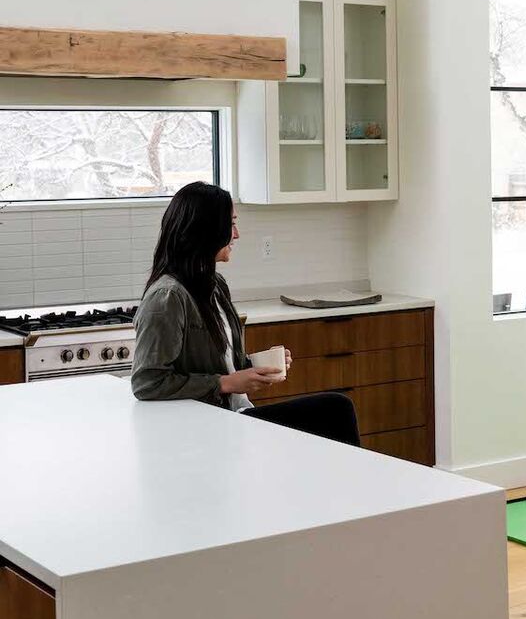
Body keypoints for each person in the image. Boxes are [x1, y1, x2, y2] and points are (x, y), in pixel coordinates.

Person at [132, 181, 360, 447]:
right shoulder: (168, 297)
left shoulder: (215, 286)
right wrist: (226, 383)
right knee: (334, 408)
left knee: (333, 411)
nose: (237, 234)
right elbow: (148, 383)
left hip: (236, 415)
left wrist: (256, 366)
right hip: (211, 425)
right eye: (231, 224)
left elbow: (226, 369)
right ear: (205, 230)